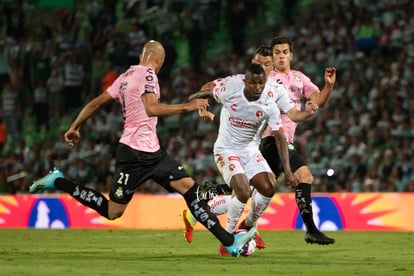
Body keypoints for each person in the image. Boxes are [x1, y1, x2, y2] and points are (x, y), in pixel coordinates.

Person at [28, 40, 256, 257]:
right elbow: (151, 109)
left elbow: (97, 102)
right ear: (161, 60)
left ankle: (229, 241)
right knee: (113, 211)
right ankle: (58, 181)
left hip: (150, 152)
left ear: (141, 56)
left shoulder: (125, 76)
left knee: (191, 191)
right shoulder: (149, 75)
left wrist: (74, 126)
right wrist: (189, 106)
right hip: (135, 154)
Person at [192, 37, 337, 245]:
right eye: (276, 53)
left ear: (291, 55)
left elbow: (316, 101)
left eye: (284, 52)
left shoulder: (298, 79)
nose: (280, 56)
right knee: (303, 176)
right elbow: (219, 87)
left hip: (280, 141)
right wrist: (200, 101)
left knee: (252, 190)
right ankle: (309, 229)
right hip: (271, 139)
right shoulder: (266, 79)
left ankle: (206, 201)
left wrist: (328, 87)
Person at [184, 63, 298, 256]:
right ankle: (228, 240)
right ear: (246, 81)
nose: (257, 87)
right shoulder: (230, 87)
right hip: (226, 149)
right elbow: (205, 91)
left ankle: (245, 225)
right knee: (243, 191)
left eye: (261, 83)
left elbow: (280, 136)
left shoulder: (270, 102)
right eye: (253, 83)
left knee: (268, 186)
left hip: (250, 150)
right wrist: (200, 106)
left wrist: (287, 171)